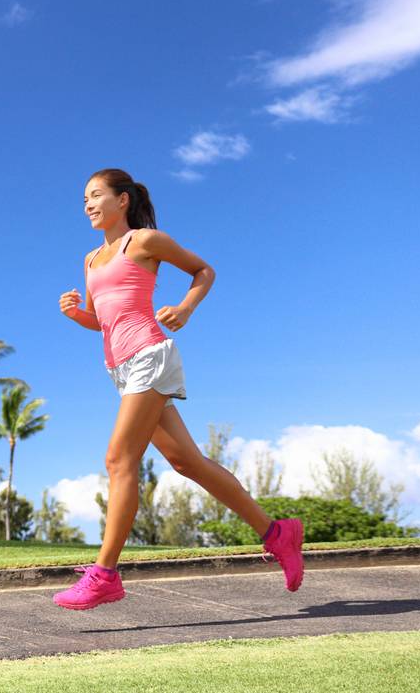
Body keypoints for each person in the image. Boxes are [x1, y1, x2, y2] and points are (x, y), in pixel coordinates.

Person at [51, 168, 303, 610]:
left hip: (150, 355)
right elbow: (103, 319)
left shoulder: (144, 242)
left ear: (122, 200)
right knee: (187, 462)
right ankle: (277, 533)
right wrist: (76, 315)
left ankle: (105, 573)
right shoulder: (91, 260)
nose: (88, 205)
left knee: (119, 459)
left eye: (95, 196)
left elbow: (203, 270)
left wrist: (186, 307)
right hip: (122, 369)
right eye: (84, 199)